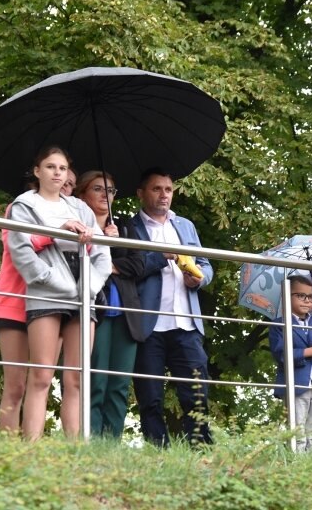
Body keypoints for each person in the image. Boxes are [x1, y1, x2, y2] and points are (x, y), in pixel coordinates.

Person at [6, 146, 112, 440]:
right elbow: (21, 252)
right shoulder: (23, 206)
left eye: (62, 168)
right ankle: (31, 449)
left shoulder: (80, 208)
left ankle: (75, 452)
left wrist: (88, 287)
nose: (57, 173)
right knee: (41, 376)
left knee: (76, 379)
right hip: (46, 293)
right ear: (37, 171)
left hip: (83, 295)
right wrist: (53, 279)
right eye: (51, 167)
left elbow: (103, 254)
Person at [129, 167, 214, 446]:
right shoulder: (129, 227)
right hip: (149, 324)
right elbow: (129, 269)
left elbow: (206, 265)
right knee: (150, 396)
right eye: (156, 188)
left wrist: (198, 281)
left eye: (168, 189)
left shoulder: (186, 226)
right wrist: (159, 256)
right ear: (141, 193)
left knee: (197, 394)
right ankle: (158, 453)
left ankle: (201, 451)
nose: (164, 194)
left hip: (186, 323)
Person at [0, 174, 78, 432]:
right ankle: (8, 452)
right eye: (61, 178)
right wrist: (54, 233)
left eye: (71, 183)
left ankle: (34, 449)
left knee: (42, 379)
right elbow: (16, 244)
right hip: (16, 301)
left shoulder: (70, 217)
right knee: (15, 385)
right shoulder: (18, 208)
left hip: (51, 303)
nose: (64, 184)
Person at [75, 171, 145, 438]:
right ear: (82, 194)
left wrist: (113, 249)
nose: (106, 195)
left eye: (111, 190)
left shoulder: (127, 228)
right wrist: (102, 245)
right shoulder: (77, 228)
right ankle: (90, 442)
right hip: (96, 311)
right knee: (96, 381)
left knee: (119, 385)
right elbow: (79, 265)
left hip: (127, 316)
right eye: (98, 189)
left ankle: (111, 446)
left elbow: (139, 264)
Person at [268, 275, 312, 451]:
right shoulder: (279, 324)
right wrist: (309, 351)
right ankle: (297, 463)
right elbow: (280, 355)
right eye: (301, 296)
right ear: (287, 296)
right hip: (295, 383)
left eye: (310, 297)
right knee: (297, 429)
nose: (307, 301)